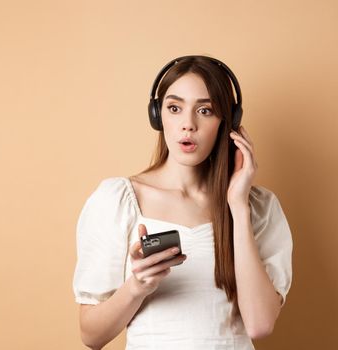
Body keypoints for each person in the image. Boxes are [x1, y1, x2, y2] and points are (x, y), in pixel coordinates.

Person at [72, 55, 293, 350]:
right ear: (157, 115)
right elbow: (91, 335)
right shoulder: (117, 200)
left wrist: (238, 207)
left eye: (205, 110)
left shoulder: (259, 207)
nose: (188, 125)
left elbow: (260, 323)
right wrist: (137, 286)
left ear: (227, 122)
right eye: (174, 108)